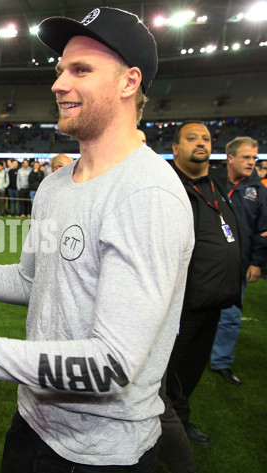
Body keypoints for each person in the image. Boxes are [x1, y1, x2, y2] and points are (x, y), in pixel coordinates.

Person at [0, 7, 194, 472]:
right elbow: (29, 282)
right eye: (60, 70)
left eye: (81, 70)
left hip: (101, 453)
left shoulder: (148, 194)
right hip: (32, 426)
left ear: (129, 82)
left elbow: (111, 366)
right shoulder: (57, 185)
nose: (58, 84)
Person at [165, 121, 242, 449]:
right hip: (183, 303)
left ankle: (177, 423)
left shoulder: (216, 185)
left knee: (192, 370)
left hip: (215, 300)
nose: (201, 143)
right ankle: (171, 432)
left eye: (206, 138)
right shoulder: (169, 186)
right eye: (191, 138)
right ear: (175, 148)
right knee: (174, 374)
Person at [210, 137, 267, 385]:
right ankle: (190, 354)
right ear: (230, 158)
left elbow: (264, 231)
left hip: (239, 265)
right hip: (206, 263)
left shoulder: (260, 192)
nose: (251, 162)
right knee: (196, 313)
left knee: (231, 317)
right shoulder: (211, 183)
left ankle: (221, 361)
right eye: (246, 157)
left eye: (254, 158)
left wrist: (256, 262)